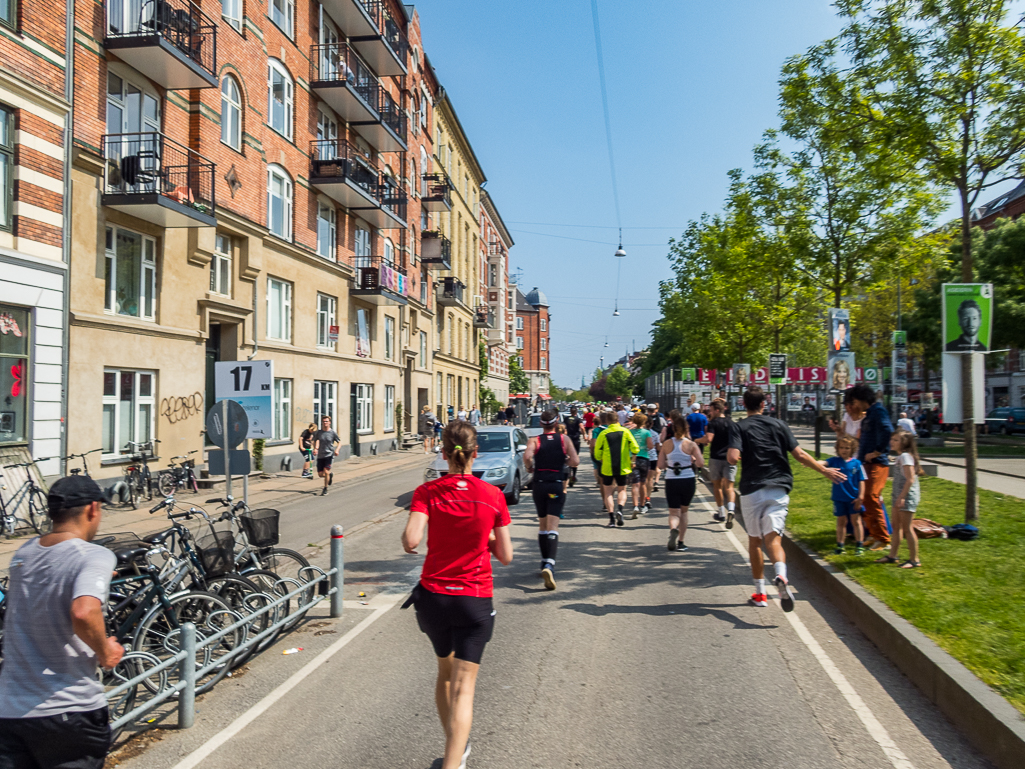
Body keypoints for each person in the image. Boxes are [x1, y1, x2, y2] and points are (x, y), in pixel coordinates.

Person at [402, 421, 514, 769]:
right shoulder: (493, 496)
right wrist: (485, 539)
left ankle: (456, 748)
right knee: (465, 687)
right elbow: (506, 556)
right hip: (474, 599)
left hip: (434, 597)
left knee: (445, 673)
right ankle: (455, 761)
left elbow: (410, 541)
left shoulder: (427, 492)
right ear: (475, 453)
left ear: (444, 454)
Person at [0, 475, 124, 769]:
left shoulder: (23, 553)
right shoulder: (93, 555)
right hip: (68, 711)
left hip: (9, 712)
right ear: (93, 509)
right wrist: (106, 652)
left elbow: (47, 587)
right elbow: (83, 611)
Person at [727, 387, 847, 611]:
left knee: (755, 541)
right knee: (774, 540)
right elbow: (800, 454)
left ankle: (760, 593)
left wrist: (738, 457)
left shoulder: (738, 426)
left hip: (752, 489)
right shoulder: (779, 424)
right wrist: (826, 472)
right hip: (778, 487)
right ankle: (781, 576)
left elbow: (733, 458)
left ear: (743, 404)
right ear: (764, 404)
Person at [524, 410, 580, 590]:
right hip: (556, 483)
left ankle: (543, 561)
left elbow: (527, 457)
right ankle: (549, 564)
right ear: (556, 424)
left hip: (539, 483)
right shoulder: (564, 440)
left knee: (542, 525)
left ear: (541, 424)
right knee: (553, 526)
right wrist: (566, 461)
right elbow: (576, 461)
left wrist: (530, 467)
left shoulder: (535, 440)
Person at [844, 384, 893, 551]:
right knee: (864, 499)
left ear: (860, 400)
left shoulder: (878, 412)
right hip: (866, 464)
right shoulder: (869, 415)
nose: (854, 405)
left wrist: (878, 451)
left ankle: (883, 538)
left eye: (854, 401)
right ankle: (873, 533)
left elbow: (887, 430)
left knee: (872, 497)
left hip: (877, 463)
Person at [876, 430, 924, 569]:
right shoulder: (901, 457)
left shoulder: (905, 457)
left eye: (896, 440)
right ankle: (893, 556)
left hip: (906, 496)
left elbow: (910, 479)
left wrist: (901, 498)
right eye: (892, 439)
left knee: (907, 528)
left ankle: (914, 560)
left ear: (904, 443)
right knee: (896, 527)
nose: (892, 442)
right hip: (899, 496)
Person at [657, 413, 704, 551]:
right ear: (686, 429)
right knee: (684, 512)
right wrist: (692, 460)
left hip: (672, 479)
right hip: (687, 478)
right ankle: (681, 542)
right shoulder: (691, 445)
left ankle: (673, 529)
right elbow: (701, 463)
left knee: (673, 512)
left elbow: (660, 465)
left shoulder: (666, 444)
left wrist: (669, 463)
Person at [593, 411, 640, 528]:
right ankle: (620, 510)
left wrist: (602, 459)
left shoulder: (603, 434)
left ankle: (611, 519)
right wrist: (632, 460)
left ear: (607, 421)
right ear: (618, 420)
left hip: (607, 467)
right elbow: (635, 448)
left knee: (608, 492)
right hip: (623, 466)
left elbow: (597, 453)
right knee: (622, 489)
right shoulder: (626, 432)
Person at [823, 436, 866, 555]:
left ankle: (859, 545)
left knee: (856, 521)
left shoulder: (857, 464)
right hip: (839, 498)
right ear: (837, 448)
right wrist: (812, 462)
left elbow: (861, 480)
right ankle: (840, 545)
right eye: (841, 447)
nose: (844, 450)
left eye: (847, 448)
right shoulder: (834, 461)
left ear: (852, 449)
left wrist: (860, 496)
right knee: (841, 522)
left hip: (853, 498)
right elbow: (823, 463)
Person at [704, 398, 737, 525]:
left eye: (711, 410)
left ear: (717, 410)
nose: (710, 413)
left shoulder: (713, 423)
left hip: (716, 457)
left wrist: (697, 440)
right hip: (729, 457)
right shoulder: (731, 423)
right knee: (729, 486)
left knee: (717, 486)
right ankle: (731, 510)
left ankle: (721, 513)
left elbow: (709, 438)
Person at [627, 413, 655, 518]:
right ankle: (642, 506)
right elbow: (651, 446)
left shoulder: (630, 432)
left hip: (632, 459)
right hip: (644, 458)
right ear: (644, 422)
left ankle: (635, 506)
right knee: (643, 483)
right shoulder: (646, 432)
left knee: (634, 484)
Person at [589, 410, 613, 510]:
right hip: (614, 456)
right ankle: (610, 497)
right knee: (614, 481)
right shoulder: (615, 429)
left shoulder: (597, 430)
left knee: (603, 481)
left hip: (601, 458)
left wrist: (593, 454)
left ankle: (605, 501)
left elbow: (593, 444)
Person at [313, 415, 341, 496]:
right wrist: (315, 448)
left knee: (326, 471)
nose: (325, 423)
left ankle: (325, 488)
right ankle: (329, 475)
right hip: (320, 455)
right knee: (320, 474)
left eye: (326, 421)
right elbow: (316, 440)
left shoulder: (332, 433)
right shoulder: (319, 432)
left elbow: (339, 442)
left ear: (329, 423)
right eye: (323, 421)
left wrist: (337, 450)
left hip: (329, 455)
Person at [562, 406, 584, 487]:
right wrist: (584, 434)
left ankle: (568, 474)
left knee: (567, 457)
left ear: (570, 411)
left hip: (568, 439)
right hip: (575, 440)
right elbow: (582, 427)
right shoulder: (578, 419)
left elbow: (563, 428)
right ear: (576, 412)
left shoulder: (566, 419)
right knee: (575, 457)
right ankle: (573, 476)